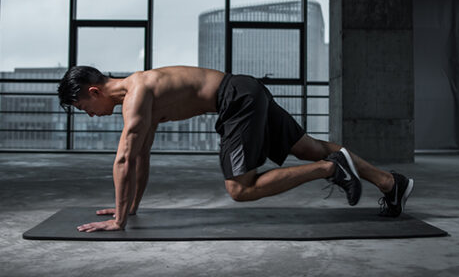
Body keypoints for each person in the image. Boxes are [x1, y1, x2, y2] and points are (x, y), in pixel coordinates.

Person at [57, 65, 414, 232]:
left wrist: (119, 222)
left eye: (83, 109)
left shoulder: (136, 97)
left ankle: (332, 169)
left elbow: (123, 159)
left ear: (93, 92)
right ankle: (389, 183)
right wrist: (130, 208)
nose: (90, 115)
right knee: (309, 147)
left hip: (236, 99)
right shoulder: (140, 91)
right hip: (245, 89)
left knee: (240, 189)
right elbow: (140, 156)